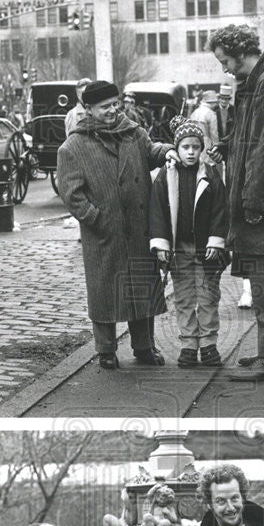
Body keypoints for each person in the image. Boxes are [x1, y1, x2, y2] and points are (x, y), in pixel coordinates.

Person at [57, 80, 178, 370]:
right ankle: (106, 349)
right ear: (88, 109)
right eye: (104, 107)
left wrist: (167, 152)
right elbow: (70, 193)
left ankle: (144, 346)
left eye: (115, 104)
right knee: (105, 292)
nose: (112, 110)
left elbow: (151, 152)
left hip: (137, 228)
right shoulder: (74, 146)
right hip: (104, 232)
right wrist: (95, 217)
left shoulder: (133, 133)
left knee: (140, 287)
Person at [206, 25, 264, 381]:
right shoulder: (260, 83)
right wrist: (229, 143)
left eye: (226, 60)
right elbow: (254, 136)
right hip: (263, 201)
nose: (225, 69)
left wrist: (252, 200)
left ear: (241, 51)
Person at [149, 117, 228, 368]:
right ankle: (188, 343)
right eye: (186, 147)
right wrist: (161, 246)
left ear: (202, 148)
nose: (191, 152)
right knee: (183, 298)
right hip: (180, 249)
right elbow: (158, 210)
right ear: (177, 148)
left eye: (196, 147)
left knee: (207, 297)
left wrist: (217, 241)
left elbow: (220, 209)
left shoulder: (211, 174)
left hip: (207, 250)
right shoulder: (166, 175)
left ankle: (208, 343)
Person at [189, 89, 220, 163]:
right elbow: (214, 134)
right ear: (211, 103)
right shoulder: (211, 114)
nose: (216, 105)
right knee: (208, 166)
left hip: (194, 142)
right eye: (215, 103)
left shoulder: (194, 112)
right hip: (206, 144)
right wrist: (217, 147)